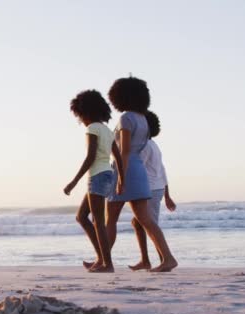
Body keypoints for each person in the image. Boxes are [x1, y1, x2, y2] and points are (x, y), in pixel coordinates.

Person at [105, 76, 178, 272]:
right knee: (145, 220)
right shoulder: (143, 119)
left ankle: (104, 261)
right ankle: (168, 258)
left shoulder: (126, 118)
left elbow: (125, 150)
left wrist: (120, 176)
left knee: (110, 218)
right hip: (138, 171)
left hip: (125, 168)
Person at [63, 89, 124, 273]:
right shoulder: (106, 129)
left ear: (86, 112)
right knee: (81, 216)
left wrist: (73, 182)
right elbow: (118, 156)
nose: (80, 121)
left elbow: (90, 157)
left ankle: (108, 264)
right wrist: (121, 179)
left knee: (97, 221)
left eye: (80, 116)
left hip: (97, 175)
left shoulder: (93, 129)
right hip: (107, 174)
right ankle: (101, 259)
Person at [129, 111, 177, 271]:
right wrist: (167, 195)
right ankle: (146, 260)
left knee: (150, 224)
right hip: (155, 188)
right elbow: (162, 170)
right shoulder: (153, 144)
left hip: (148, 188)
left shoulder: (144, 146)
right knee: (137, 222)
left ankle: (166, 260)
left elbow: (136, 168)